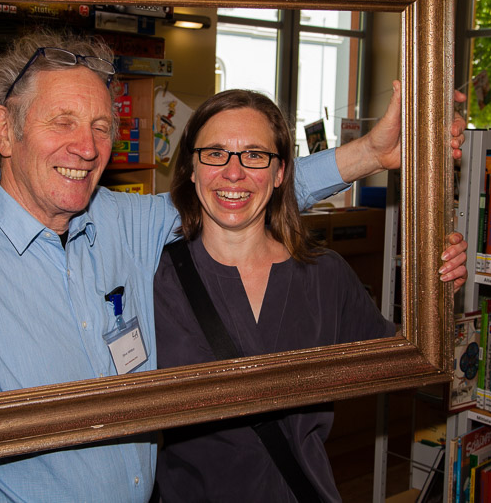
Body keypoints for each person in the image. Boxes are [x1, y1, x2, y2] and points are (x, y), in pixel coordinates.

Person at [0, 30, 467, 503]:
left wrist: (370, 155)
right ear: (3, 129)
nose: (87, 147)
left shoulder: (121, 222)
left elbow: (232, 191)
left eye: (103, 125)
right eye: (64, 122)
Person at [153, 90, 436, 502]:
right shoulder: (152, 278)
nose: (233, 173)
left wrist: (438, 287)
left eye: (254, 155)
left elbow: (407, 362)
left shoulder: (324, 275)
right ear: (191, 169)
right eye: (215, 153)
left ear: (281, 172)